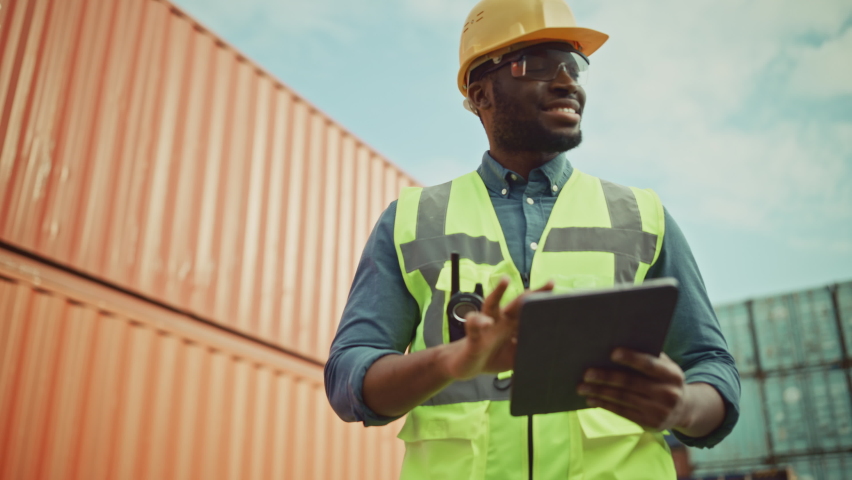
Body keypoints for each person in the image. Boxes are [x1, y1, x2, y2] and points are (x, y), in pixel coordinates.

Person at [325, 0, 740, 478]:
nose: (568, 82)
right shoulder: (411, 219)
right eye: (536, 64)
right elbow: (348, 379)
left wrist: (682, 406)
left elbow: (712, 367)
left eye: (575, 67)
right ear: (480, 95)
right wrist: (450, 361)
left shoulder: (643, 216)